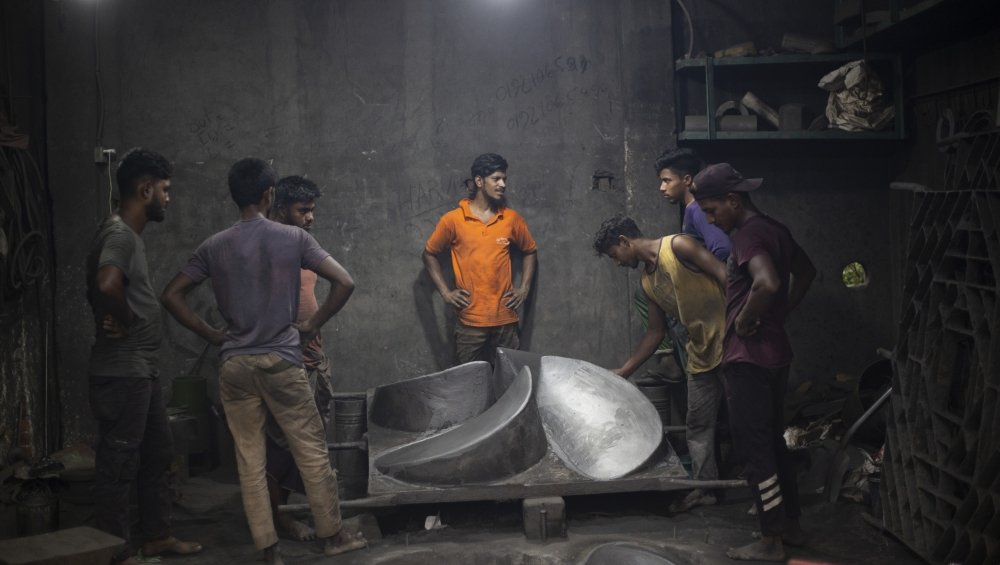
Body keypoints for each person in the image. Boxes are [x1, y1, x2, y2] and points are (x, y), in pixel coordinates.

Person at [160, 158, 365, 565]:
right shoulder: (293, 239)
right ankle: (333, 537)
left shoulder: (214, 245)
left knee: (250, 460)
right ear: (269, 195)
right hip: (281, 361)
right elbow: (345, 281)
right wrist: (311, 324)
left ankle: (268, 551)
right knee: (310, 451)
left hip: (235, 366)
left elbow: (170, 295)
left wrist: (212, 334)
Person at [693, 163, 816, 562]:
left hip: (747, 359)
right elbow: (807, 271)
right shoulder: (776, 229)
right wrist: (780, 314)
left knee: (754, 449)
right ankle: (791, 526)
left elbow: (767, 283)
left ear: (733, 200)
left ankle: (769, 540)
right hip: (776, 355)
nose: (711, 220)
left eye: (712, 211)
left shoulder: (748, 236)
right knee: (774, 443)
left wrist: (747, 318)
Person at [85, 148, 202, 565]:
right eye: (165, 190)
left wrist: (127, 318)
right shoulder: (119, 234)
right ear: (145, 189)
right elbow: (106, 283)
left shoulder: (128, 237)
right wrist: (128, 320)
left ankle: (156, 536)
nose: (168, 199)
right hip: (123, 373)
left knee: (157, 453)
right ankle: (114, 552)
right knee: (119, 464)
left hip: (142, 372)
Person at [593, 215, 727, 514]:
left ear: (625, 242)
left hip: (732, 346)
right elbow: (655, 333)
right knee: (698, 426)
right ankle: (706, 490)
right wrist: (625, 371)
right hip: (700, 356)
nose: (617, 263)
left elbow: (723, 274)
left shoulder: (677, 245)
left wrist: (745, 321)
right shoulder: (647, 282)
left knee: (749, 422)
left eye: (615, 255)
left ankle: (767, 496)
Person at [262, 175, 335, 541]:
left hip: (312, 357)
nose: (310, 218)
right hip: (284, 358)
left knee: (306, 441)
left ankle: (290, 512)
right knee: (281, 444)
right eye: (303, 211)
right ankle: (280, 521)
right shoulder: (268, 245)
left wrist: (313, 331)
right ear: (279, 208)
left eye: (312, 210)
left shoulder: (304, 243)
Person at [423, 153, 537, 365]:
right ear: (479, 181)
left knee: (510, 382)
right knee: (470, 384)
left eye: (504, 179)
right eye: (496, 179)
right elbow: (429, 253)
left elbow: (530, 250)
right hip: (470, 322)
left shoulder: (511, 219)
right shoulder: (453, 220)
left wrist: (524, 288)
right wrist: (446, 293)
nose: (502, 184)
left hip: (506, 320)